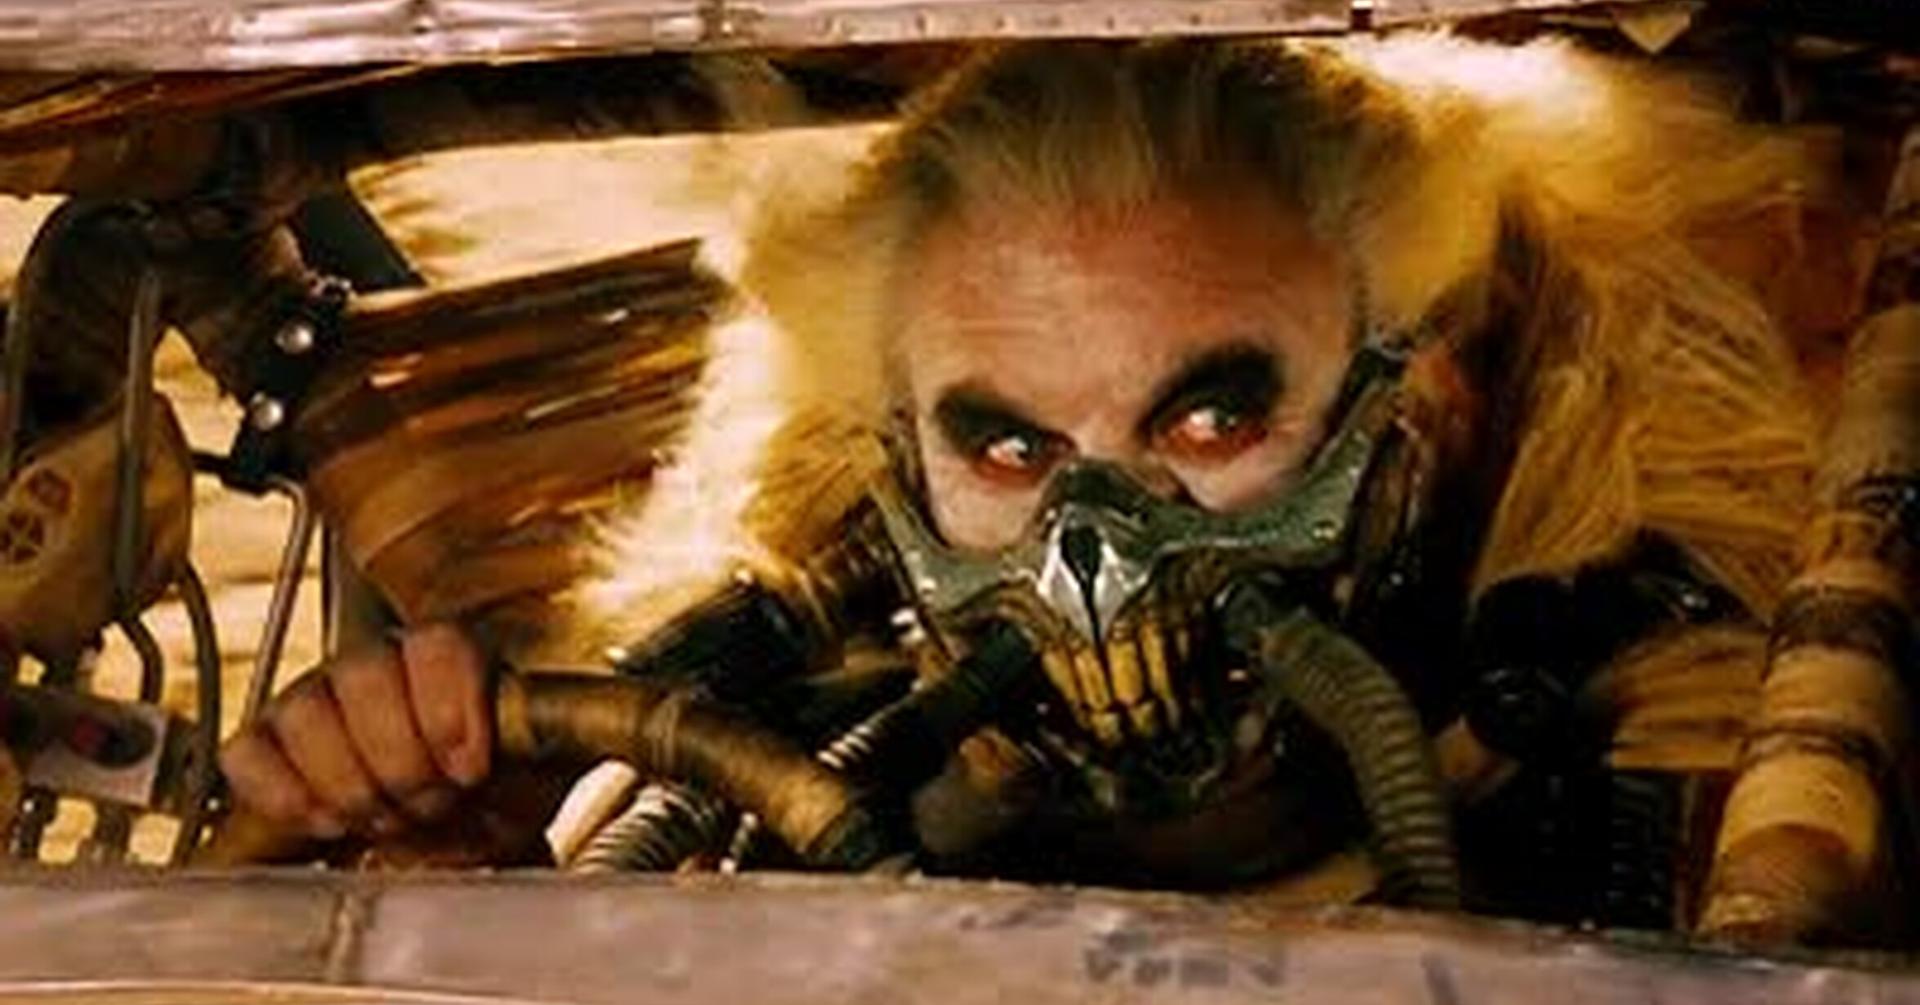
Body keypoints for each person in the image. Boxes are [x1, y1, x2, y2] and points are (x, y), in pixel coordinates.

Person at [220, 35, 1831, 923]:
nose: (1095, 549)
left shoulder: (1695, 780)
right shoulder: (754, 783)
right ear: (891, 459)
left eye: (1212, 422)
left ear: (1430, 403)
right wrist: (456, 871)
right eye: (1009, 446)